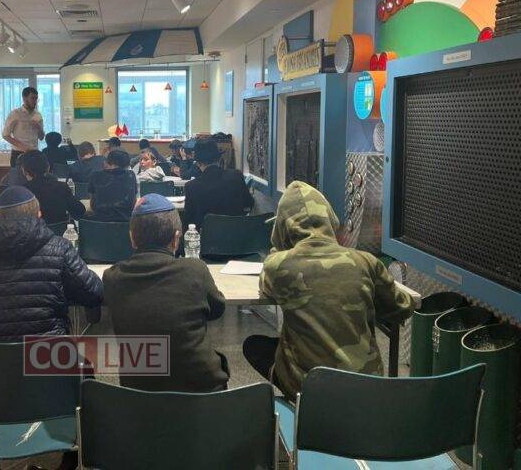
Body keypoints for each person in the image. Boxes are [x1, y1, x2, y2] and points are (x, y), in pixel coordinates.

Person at [0, 186, 101, 470]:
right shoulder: (58, 248)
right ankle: (72, 453)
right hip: (49, 374)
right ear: (39, 215)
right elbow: (93, 292)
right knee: (84, 367)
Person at [243, 181, 414, 401]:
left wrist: (281, 249)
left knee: (254, 346)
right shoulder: (365, 261)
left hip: (311, 389)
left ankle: (297, 399)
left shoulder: (277, 266)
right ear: (329, 219)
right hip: (366, 384)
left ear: (283, 226)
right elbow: (401, 308)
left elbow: (266, 286)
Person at [102, 194, 229, 392]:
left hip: (138, 393)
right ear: (176, 238)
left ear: (132, 238)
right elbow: (217, 309)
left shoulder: (112, 278)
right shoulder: (195, 270)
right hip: (203, 395)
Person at [183, 138, 253, 228]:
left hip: (207, 235)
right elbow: (249, 203)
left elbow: (188, 221)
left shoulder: (191, 187)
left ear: (198, 163)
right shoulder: (236, 176)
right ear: (219, 159)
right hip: (237, 234)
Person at [21, 151, 85, 224]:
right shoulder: (62, 187)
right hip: (60, 230)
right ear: (48, 168)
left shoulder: (22, 192)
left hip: (33, 231)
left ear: (23, 170)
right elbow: (79, 212)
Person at [87, 149, 137, 222]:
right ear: (127, 166)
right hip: (125, 224)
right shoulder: (131, 175)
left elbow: (92, 203)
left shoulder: (95, 175)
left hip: (98, 223)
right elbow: (133, 203)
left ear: (107, 163)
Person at [1, 86, 44, 168]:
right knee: (18, 176)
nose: (35, 101)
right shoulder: (15, 114)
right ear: (24, 98)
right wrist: (23, 147)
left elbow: (41, 137)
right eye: (32, 98)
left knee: (35, 176)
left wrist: (39, 128)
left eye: (36, 99)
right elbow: (5, 135)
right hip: (19, 154)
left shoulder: (38, 115)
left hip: (34, 153)